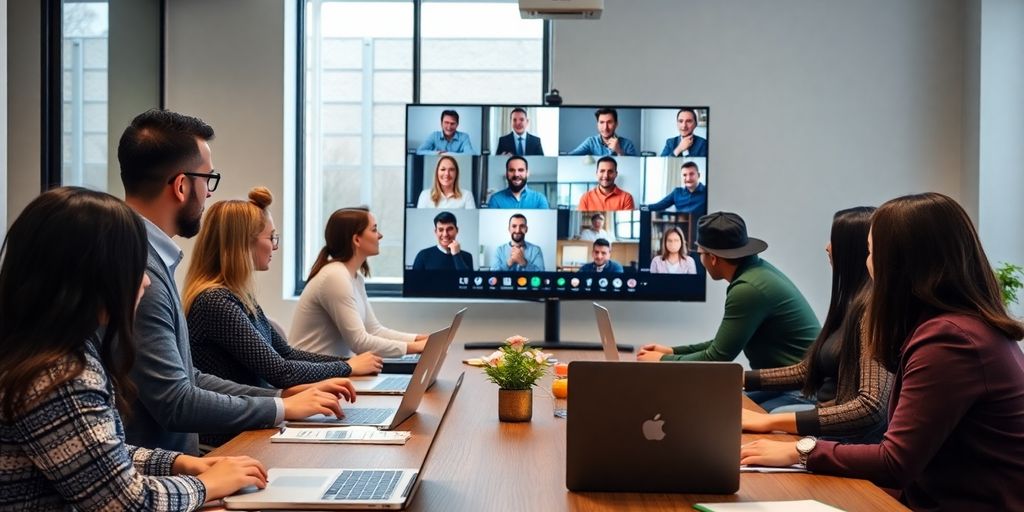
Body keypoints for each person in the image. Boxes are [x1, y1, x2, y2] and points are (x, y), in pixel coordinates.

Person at [741, 193, 1024, 511]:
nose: (867, 262)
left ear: (899, 263)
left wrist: (802, 451)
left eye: (872, 251)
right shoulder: (960, 327)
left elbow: (895, 461)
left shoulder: (952, 341)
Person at [0, 187, 268, 510]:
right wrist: (205, 484)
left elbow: (99, 453)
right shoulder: (59, 376)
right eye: (132, 266)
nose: (145, 282)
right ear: (93, 274)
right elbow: (130, 504)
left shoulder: (51, 352)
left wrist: (177, 463)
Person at [118, 109, 352, 455]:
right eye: (208, 179)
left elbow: (189, 377)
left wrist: (280, 398)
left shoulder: (146, 257)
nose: (209, 193)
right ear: (182, 186)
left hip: (178, 466)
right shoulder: (141, 271)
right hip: (166, 475)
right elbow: (176, 401)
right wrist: (282, 407)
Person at [183, 187, 384, 391]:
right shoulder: (215, 302)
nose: (275, 246)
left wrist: (347, 364)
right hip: (233, 421)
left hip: (252, 412)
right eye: (271, 238)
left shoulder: (239, 297)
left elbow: (286, 354)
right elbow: (281, 371)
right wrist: (347, 367)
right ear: (244, 244)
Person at [741, 207, 894, 442]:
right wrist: (739, 377)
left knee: (768, 416)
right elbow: (806, 370)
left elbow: (871, 407)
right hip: (828, 410)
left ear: (851, 248)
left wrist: (769, 422)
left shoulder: (871, 311)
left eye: (833, 239)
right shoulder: (851, 303)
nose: (827, 247)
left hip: (843, 428)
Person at [637, 212, 819, 370]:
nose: (699, 258)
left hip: (796, 390)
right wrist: (672, 351)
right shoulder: (756, 272)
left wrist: (662, 360)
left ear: (713, 258)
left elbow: (717, 358)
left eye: (700, 252)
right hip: (788, 385)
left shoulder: (748, 289)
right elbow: (721, 345)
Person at [290, 207, 429, 358]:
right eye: (374, 230)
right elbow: (359, 342)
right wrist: (415, 347)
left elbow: (373, 330)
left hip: (330, 371)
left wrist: (418, 339)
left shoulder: (354, 278)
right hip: (313, 374)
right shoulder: (334, 276)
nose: (380, 235)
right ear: (357, 239)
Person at [568, 108, 639, 156]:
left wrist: (619, 151)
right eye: (602, 122)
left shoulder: (628, 144)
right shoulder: (591, 142)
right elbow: (570, 157)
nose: (605, 128)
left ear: (616, 124)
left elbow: (633, 168)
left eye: (609, 122)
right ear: (597, 124)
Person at [486, 156, 550, 209]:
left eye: (521, 170)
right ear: (506, 173)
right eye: (511, 170)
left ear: (527, 173)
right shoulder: (495, 199)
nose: (516, 174)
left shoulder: (540, 199)